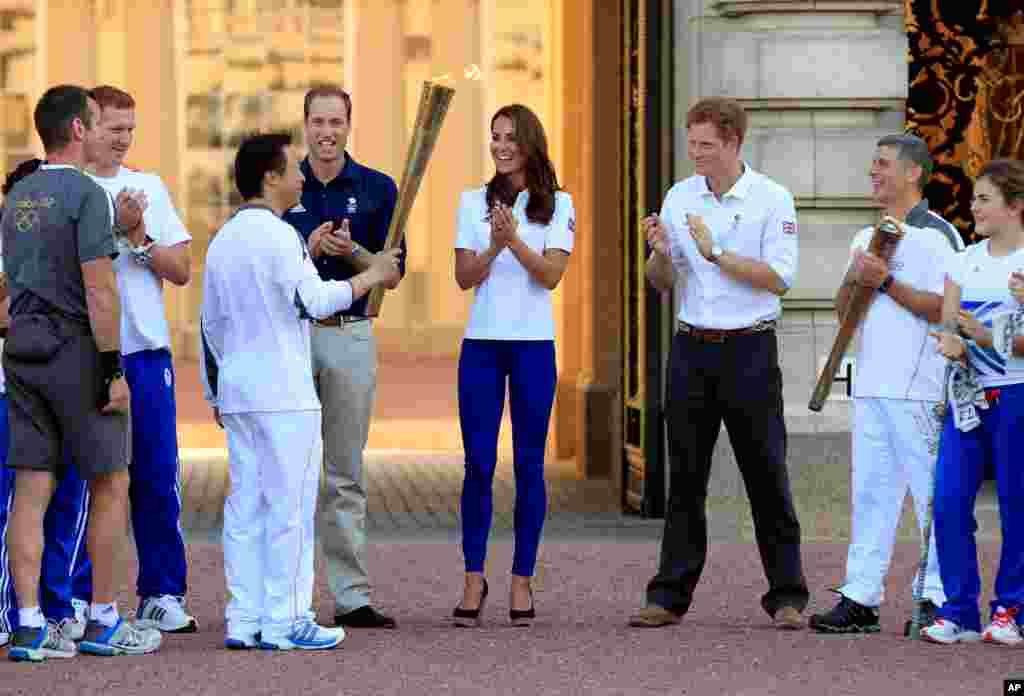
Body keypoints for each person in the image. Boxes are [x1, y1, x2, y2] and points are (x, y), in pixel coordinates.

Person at [200, 132, 401, 650]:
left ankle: (245, 619)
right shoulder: (280, 235)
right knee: (289, 508)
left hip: (240, 391)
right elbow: (315, 300)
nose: (300, 177)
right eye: (292, 169)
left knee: (246, 507)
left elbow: (210, 327)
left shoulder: (223, 240)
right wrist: (371, 274)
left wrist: (217, 392)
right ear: (269, 177)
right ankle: (289, 617)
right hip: (285, 394)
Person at [628, 96, 807, 630]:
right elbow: (662, 282)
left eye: (706, 145)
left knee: (766, 474)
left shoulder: (772, 199)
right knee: (684, 478)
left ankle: (788, 596)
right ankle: (667, 596)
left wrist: (717, 253)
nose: (696, 153)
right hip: (691, 348)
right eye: (692, 143)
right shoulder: (681, 195)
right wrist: (660, 250)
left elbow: (780, 278)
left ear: (733, 143)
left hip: (750, 349)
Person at [3, 85, 160, 661]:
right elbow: (99, 288)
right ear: (75, 129)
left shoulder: (18, 195)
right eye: (95, 122)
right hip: (75, 354)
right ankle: (103, 619)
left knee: (31, 489)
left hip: (22, 353)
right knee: (111, 483)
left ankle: (28, 625)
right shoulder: (88, 194)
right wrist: (112, 368)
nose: (102, 132)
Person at [808, 135, 961, 636]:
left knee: (930, 495)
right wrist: (857, 278)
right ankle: (861, 596)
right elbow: (842, 311)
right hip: (872, 381)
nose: (873, 171)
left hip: (920, 385)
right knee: (871, 493)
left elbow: (946, 309)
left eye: (883, 164)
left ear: (913, 173)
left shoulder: (938, 237)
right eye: (872, 162)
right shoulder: (866, 235)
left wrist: (887, 283)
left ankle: (939, 597)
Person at [281, 84, 402, 630]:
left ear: (350, 126)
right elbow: (269, 266)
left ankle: (351, 595)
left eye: (336, 122)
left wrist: (351, 251)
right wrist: (309, 248)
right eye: (318, 122)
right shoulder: (284, 188)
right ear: (304, 124)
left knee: (344, 473)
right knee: (291, 470)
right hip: (294, 335)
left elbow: (393, 272)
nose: (326, 133)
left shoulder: (378, 189)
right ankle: (287, 594)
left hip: (351, 335)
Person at [451, 104, 573, 627]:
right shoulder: (469, 202)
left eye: (510, 138)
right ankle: (473, 577)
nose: (501, 146)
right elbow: (463, 276)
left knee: (528, 466)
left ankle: (522, 578)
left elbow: (550, 276)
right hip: (481, 346)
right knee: (478, 464)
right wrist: (494, 245)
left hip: (532, 348)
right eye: (494, 136)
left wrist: (513, 241)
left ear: (530, 144)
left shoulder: (559, 204)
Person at [84, 85, 194, 634]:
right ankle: (80, 596)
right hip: (86, 356)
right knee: (88, 480)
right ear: (86, 126)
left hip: (147, 356)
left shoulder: (149, 186)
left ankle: (163, 591)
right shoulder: (72, 188)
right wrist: (111, 230)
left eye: (130, 129)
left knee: (156, 474)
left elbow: (181, 269)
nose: (124, 139)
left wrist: (139, 235)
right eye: (113, 128)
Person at [923, 158, 1024, 646]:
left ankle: (1010, 611)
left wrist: (987, 335)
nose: (974, 207)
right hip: (968, 397)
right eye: (975, 198)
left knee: (1016, 506)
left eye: (984, 199)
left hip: (1018, 397)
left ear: (1015, 206)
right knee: (947, 500)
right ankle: (958, 610)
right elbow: (947, 325)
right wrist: (952, 341)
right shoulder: (962, 261)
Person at [0, 159, 93, 650]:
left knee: (60, 500)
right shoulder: (17, 241)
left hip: (45, 376)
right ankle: (25, 613)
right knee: (28, 501)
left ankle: (49, 613)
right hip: (34, 380)